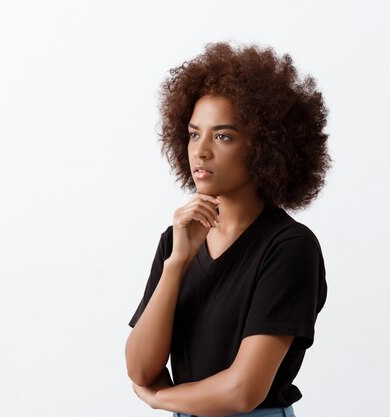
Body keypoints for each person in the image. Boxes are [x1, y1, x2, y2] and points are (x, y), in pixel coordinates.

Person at [125, 41, 331, 417]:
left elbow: (242, 391)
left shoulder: (288, 247)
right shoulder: (177, 239)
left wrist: (159, 399)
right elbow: (141, 369)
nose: (200, 151)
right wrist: (177, 264)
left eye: (223, 136)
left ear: (264, 147)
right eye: (193, 134)